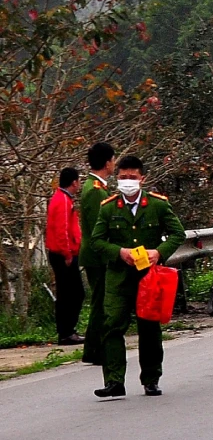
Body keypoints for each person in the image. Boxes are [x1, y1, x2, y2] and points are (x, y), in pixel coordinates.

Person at [91, 156, 186, 397]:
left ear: (142, 179)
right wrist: (119, 252)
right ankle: (114, 381)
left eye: (132, 178)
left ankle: (151, 378)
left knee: (149, 327)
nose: (127, 182)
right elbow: (97, 241)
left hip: (149, 278)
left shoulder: (158, 205)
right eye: (123, 178)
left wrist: (159, 252)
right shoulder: (109, 207)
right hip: (118, 277)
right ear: (117, 179)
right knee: (112, 326)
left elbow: (178, 234)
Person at [79, 142, 116, 364]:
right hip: (97, 255)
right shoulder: (94, 191)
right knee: (101, 302)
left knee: (101, 301)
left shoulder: (98, 187)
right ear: (106, 162)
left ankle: (94, 348)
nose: (114, 164)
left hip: (97, 254)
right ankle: (95, 349)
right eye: (113, 159)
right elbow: (97, 229)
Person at [46, 167, 86, 346]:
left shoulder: (62, 199)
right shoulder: (62, 200)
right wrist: (67, 252)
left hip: (64, 252)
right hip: (63, 254)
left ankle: (67, 331)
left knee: (68, 293)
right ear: (74, 182)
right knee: (74, 293)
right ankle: (66, 331)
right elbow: (61, 229)